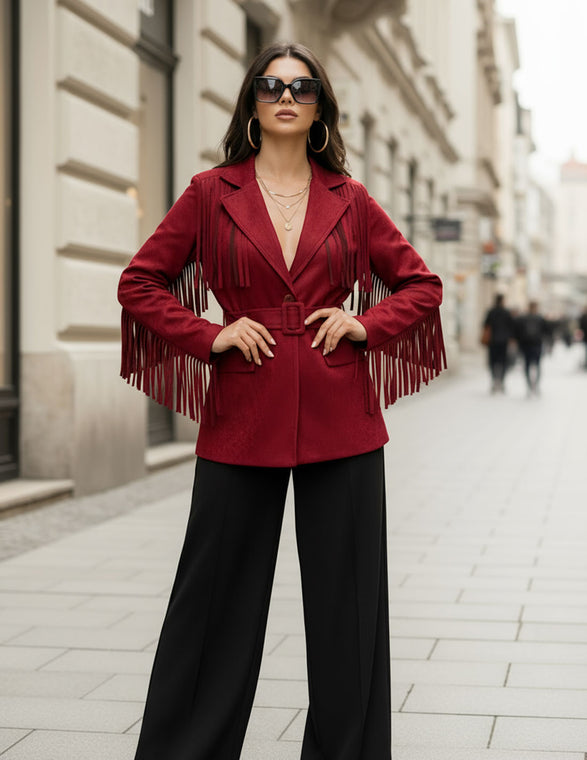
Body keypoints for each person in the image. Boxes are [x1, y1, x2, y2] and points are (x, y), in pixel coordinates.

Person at [117, 41, 446, 760]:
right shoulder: (211, 192)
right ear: (252, 103)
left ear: (320, 107)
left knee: (347, 611)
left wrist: (364, 322)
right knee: (213, 603)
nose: (285, 95)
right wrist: (209, 334)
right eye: (270, 85)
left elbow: (422, 286)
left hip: (343, 419)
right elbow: (139, 283)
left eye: (301, 86)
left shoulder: (352, 200)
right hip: (241, 416)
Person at [482, 293, 515, 393]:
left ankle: (494, 380)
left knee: (493, 361)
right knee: (503, 362)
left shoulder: (491, 312)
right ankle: (501, 381)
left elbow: (485, 324)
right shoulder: (506, 312)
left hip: (492, 341)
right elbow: (511, 326)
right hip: (503, 341)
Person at [515, 301, 547, 395]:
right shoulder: (540, 318)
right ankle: (536, 385)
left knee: (527, 365)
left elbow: (517, 331)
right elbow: (546, 331)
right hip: (536, 344)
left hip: (526, 345)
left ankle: (529, 385)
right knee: (537, 365)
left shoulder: (522, 318)